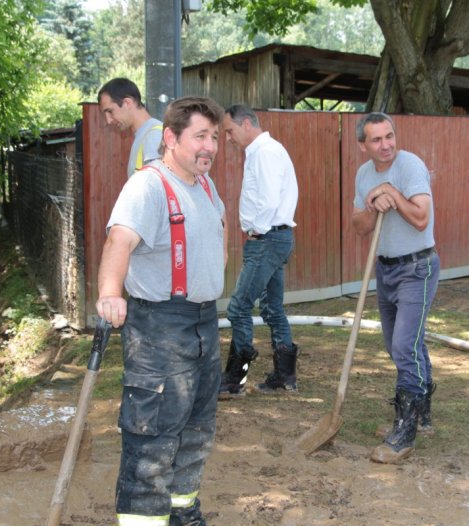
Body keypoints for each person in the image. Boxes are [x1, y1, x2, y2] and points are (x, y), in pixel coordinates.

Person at [97, 96, 228, 525]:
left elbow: (218, 238)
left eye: (215, 137)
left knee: (196, 427)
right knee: (152, 436)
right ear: (170, 138)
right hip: (158, 327)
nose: (210, 146)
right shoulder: (148, 186)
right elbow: (119, 241)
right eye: (200, 136)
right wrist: (110, 292)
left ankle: (182, 511)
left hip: (204, 322)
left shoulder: (206, 186)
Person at [351, 112, 440, 464]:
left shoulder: (410, 166)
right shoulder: (363, 174)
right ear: (364, 145)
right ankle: (423, 414)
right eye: (376, 139)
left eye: (389, 136)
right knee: (398, 345)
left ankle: (405, 431)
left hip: (417, 267)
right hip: (385, 269)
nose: (386, 144)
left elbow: (420, 219)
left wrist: (391, 192)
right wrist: (373, 202)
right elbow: (359, 225)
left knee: (405, 346)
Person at [218, 104, 299, 398]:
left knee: (239, 307)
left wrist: (256, 233)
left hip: (266, 239)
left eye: (230, 130)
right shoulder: (263, 151)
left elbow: (267, 199)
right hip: (274, 238)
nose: (228, 138)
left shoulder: (264, 152)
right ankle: (285, 378)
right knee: (272, 308)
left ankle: (234, 380)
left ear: (247, 124)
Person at [98, 77, 163, 178]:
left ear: (127, 103)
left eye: (110, 111)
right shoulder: (144, 135)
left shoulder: (154, 136)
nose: (108, 120)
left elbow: (159, 189)